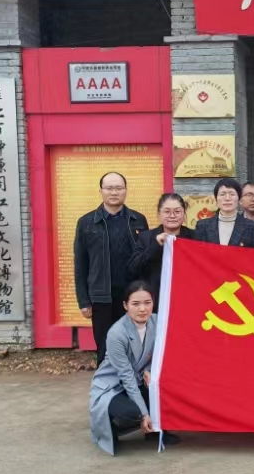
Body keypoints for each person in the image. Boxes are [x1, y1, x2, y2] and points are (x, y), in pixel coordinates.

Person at [89, 280, 176, 455]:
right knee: (133, 412)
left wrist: (150, 370)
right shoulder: (116, 333)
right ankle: (111, 428)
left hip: (139, 379)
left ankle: (155, 430)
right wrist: (144, 414)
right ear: (125, 305)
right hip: (113, 386)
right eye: (135, 304)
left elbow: (162, 353)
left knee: (168, 389)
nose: (142, 309)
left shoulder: (158, 321)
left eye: (147, 303)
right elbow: (126, 376)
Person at [74, 172, 149, 363]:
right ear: (100, 191)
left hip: (131, 296)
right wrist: (84, 301)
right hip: (101, 297)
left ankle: (132, 381)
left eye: (118, 188)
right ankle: (106, 381)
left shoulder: (138, 220)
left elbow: (145, 260)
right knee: (105, 347)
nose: (114, 192)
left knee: (134, 345)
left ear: (125, 190)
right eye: (109, 188)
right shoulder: (86, 222)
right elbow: (81, 264)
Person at [129, 193, 194, 312]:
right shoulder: (146, 238)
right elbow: (134, 268)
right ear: (159, 214)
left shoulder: (194, 238)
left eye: (177, 211)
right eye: (167, 211)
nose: (172, 216)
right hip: (155, 302)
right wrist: (155, 246)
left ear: (184, 214)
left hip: (187, 300)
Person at [195, 178, 254, 247]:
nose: (227, 198)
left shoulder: (252, 227)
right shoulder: (202, 226)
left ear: (239, 199)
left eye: (232, 194)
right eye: (222, 194)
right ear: (216, 199)